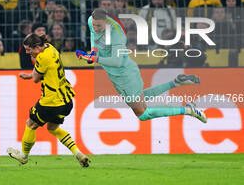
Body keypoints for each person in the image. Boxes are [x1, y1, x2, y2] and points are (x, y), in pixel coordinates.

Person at [75, 8, 207, 123]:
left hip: (123, 76)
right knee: (140, 97)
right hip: (127, 71)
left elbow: (117, 62)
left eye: (99, 26)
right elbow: (93, 34)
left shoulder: (117, 35)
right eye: (94, 24)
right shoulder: (91, 20)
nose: (96, 28)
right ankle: (175, 83)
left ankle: (188, 110)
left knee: (143, 113)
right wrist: (94, 50)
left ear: (107, 22)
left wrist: (94, 58)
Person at [7, 33, 90, 167]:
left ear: (37, 47)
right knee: (52, 128)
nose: (28, 53)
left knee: (30, 124)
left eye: (29, 50)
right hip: (66, 100)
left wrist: (30, 75)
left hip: (51, 101)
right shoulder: (51, 48)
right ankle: (78, 154)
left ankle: (24, 156)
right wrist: (30, 75)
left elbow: (35, 79)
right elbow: (42, 73)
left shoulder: (42, 57)